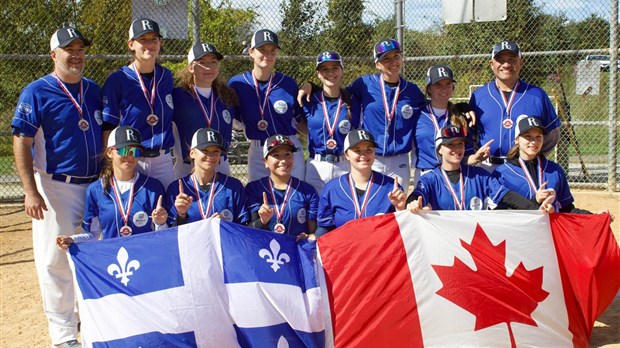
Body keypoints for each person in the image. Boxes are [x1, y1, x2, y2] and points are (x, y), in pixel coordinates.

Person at [11, 27, 101, 348]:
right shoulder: (37, 91)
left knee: (90, 252)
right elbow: (21, 141)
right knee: (55, 259)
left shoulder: (92, 90)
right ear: (54, 54)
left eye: (80, 49)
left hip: (93, 185)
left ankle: (84, 319)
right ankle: (63, 335)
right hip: (55, 186)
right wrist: (30, 190)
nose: (76, 55)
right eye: (69, 49)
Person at [300, 39, 427, 192]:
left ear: (401, 58)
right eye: (386, 58)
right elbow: (334, 93)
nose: (392, 62)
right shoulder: (365, 84)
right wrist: (310, 85)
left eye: (396, 56)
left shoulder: (412, 90)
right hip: (372, 158)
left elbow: (431, 111)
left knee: (397, 206)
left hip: (400, 160)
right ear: (377, 64)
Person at [56, 126, 168, 248]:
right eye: (123, 150)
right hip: (112, 259)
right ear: (110, 152)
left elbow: (163, 235)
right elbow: (92, 234)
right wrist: (72, 240)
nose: (129, 156)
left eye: (135, 152)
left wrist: (160, 223)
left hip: (145, 256)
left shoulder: (153, 187)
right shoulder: (96, 190)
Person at [407, 125, 555, 213]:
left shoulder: (479, 176)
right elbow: (417, 194)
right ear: (439, 149)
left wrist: (534, 209)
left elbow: (506, 196)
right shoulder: (430, 178)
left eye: (460, 144)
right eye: (450, 145)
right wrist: (412, 203)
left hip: (474, 242)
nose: (457, 149)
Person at [102, 18, 176, 187]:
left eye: (154, 39)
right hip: (130, 157)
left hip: (163, 158)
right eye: (143, 39)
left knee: (165, 209)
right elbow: (108, 125)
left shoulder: (166, 77)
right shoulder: (118, 79)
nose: (149, 44)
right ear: (131, 44)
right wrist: (109, 164)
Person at [470, 40, 561, 172]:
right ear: (491, 64)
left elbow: (552, 134)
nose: (506, 64)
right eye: (500, 59)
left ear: (521, 63)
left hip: (523, 168)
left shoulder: (537, 95)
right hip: (487, 167)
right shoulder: (479, 96)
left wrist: (532, 155)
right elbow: (469, 134)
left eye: (512, 59)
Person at [228, 29, 305, 182]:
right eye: (262, 50)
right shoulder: (237, 84)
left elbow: (300, 122)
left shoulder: (288, 83)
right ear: (251, 52)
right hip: (258, 149)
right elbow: (235, 122)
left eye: (272, 51)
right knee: (260, 198)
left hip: (288, 146)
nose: (267, 55)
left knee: (294, 197)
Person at [412, 65, 492, 186]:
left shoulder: (460, 117)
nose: (444, 89)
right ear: (429, 89)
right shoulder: (417, 115)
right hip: (426, 174)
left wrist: (476, 158)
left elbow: (466, 158)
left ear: (453, 87)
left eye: (448, 84)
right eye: (438, 84)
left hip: (455, 174)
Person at [317, 129, 407, 236]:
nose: (363, 155)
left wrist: (400, 208)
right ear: (346, 155)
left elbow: (403, 230)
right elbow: (324, 229)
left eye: (369, 150)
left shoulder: (392, 187)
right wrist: (313, 239)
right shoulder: (332, 189)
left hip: (380, 250)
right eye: (357, 150)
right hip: (345, 250)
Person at [493, 115, 592, 213]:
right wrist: (535, 201)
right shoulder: (502, 173)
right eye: (528, 136)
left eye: (538, 137)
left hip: (548, 226)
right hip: (518, 228)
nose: (534, 142)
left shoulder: (554, 170)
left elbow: (567, 209)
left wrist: (594, 217)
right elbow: (499, 214)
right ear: (517, 140)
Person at [172, 42, 238, 178]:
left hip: (220, 165)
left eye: (213, 62)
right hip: (187, 167)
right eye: (202, 62)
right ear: (191, 67)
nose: (209, 67)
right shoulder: (177, 96)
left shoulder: (226, 96)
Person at [302, 51, 361, 194]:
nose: (330, 73)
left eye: (335, 68)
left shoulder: (354, 101)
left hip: (344, 164)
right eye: (324, 69)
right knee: (315, 212)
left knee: (344, 211)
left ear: (342, 71)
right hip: (316, 165)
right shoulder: (309, 99)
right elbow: (298, 124)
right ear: (318, 74)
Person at [168, 128, 249, 226]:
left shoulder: (233, 187)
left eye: (216, 151)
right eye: (205, 150)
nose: (211, 155)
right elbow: (170, 235)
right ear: (192, 153)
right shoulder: (176, 189)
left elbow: (244, 229)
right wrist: (181, 215)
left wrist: (225, 227)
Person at [245, 135, 319, 241]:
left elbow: (313, 230)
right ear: (265, 162)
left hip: (296, 250)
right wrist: (262, 221)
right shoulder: (254, 189)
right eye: (276, 155)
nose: (283, 160)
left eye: (288, 154)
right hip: (263, 250)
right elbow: (247, 233)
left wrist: (310, 236)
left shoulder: (307, 191)